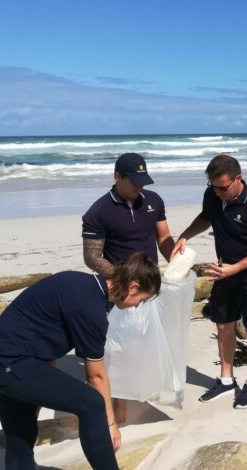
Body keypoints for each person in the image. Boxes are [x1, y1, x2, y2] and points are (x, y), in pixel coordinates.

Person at [0, 252, 161, 470]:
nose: (138, 306)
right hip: (8, 362)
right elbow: (96, 377)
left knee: (21, 436)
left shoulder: (81, 284)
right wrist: (109, 424)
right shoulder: (92, 309)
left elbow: (46, 337)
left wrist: (34, 395)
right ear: (134, 287)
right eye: (142, 300)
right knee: (91, 404)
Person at [174, 154, 247, 409]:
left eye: (222, 187)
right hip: (223, 271)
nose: (217, 192)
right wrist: (185, 236)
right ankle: (226, 379)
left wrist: (236, 268)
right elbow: (205, 217)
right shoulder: (213, 195)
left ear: (237, 179)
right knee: (222, 326)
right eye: (212, 187)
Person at [81, 152, 176, 422]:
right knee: (117, 349)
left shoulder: (153, 201)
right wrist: (122, 278)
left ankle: (142, 388)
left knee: (147, 339)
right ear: (117, 177)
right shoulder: (99, 211)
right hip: (119, 290)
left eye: (143, 181)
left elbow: (164, 237)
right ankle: (119, 402)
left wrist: (177, 260)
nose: (139, 187)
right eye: (134, 181)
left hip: (149, 286)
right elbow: (91, 257)